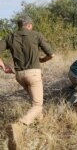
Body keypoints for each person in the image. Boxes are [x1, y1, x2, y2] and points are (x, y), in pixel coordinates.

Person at [0, 14, 54, 149]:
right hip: (33, 74)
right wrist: (43, 59)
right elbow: (51, 54)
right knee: (38, 105)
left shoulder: (10, 36)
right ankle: (19, 125)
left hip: (19, 75)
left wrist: (2, 65)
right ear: (29, 25)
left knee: (34, 100)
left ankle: (40, 123)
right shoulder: (36, 35)